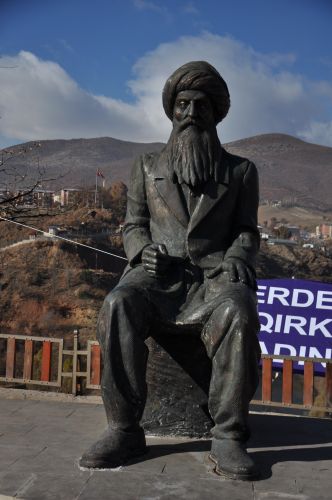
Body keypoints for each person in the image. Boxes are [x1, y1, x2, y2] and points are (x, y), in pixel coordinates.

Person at [80, 61, 261, 480]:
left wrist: (236, 259)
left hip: (213, 279)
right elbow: (134, 224)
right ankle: (124, 429)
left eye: (201, 105)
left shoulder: (240, 171)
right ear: (172, 111)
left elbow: (247, 232)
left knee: (239, 312)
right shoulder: (146, 166)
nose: (191, 114)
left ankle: (228, 435)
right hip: (157, 279)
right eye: (182, 105)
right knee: (117, 304)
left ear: (216, 113)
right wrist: (142, 251)